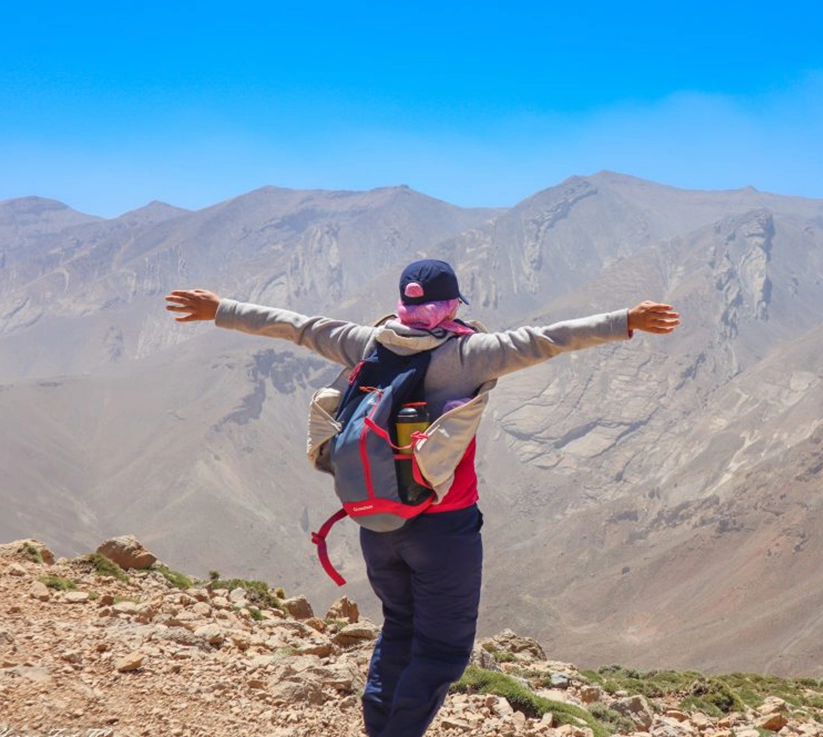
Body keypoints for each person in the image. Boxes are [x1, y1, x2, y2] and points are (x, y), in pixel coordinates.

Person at [165, 258, 680, 737]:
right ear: (452, 306)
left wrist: (220, 310)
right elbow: (547, 339)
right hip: (444, 529)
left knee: (399, 630)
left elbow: (298, 325)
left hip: (375, 523)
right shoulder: (467, 354)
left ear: (404, 304)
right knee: (441, 651)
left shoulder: (367, 343)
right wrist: (625, 320)